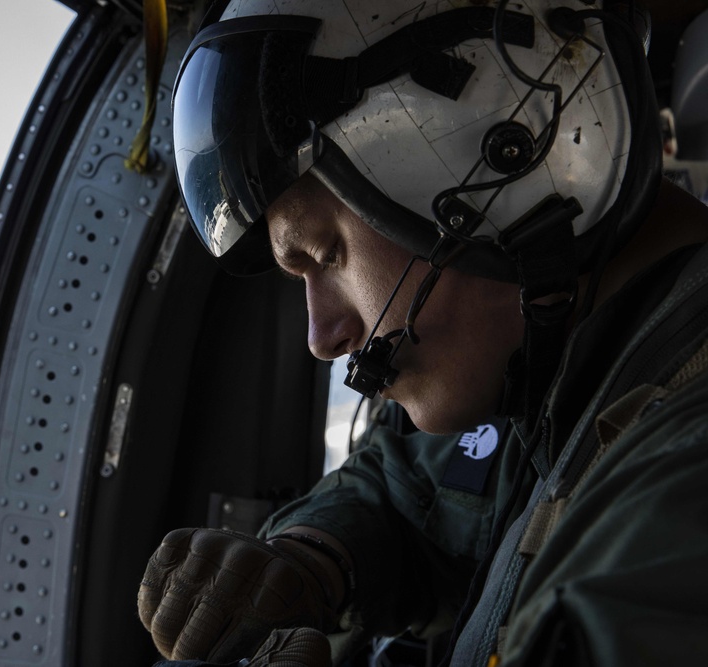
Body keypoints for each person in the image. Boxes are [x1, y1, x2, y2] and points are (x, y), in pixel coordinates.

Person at [138, 1, 708, 665]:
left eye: (325, 255)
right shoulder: (566, 377)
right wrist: (308, 558)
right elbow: (417, 489)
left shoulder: (683, 476)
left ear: (511, 157)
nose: (324, 335)